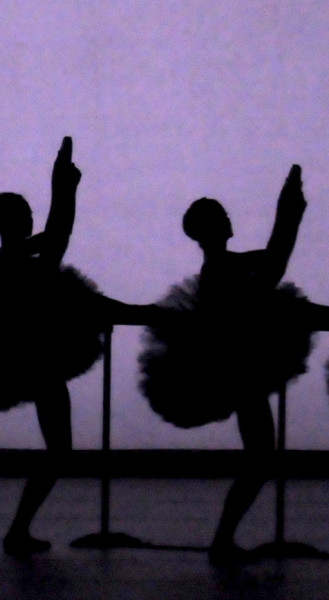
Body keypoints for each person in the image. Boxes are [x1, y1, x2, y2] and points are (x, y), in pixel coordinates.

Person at [0, 137, 137, 555]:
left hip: (37, 357)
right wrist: (63, 185)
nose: (29, 218)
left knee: (59, 450)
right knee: (59, 450)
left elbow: (58, 241)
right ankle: (17, 531)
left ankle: (19, 530)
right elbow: (58, 238)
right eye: (23, 213)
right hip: (33, 359)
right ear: (9, 221)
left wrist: (65, 186)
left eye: (28, 212)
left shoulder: (19, 256)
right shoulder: (12, 256)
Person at [138, 166, 311, 564]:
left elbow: (271, 262)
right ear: (207, 230)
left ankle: (223, 539)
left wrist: (289, 213)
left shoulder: (227, 263)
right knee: (260, 458)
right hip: (239, 372)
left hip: (242, 369)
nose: (229, 220)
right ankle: (221, 541)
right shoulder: (221, 267)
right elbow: (272, 269)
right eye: (221, 217)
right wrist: (289, 211)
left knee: (260, 457)